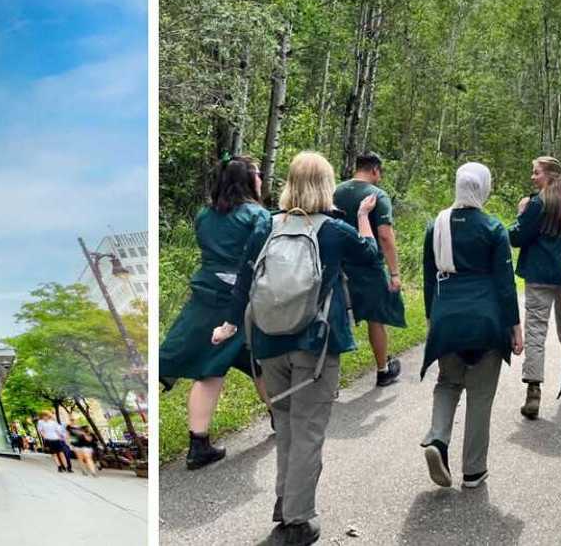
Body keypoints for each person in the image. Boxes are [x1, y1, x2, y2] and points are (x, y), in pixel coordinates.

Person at [213, 150, 382, 546]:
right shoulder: (334, 231)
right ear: (326, 186)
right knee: (308, 432)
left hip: (269, 342)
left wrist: (230, 324)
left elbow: (244, 279)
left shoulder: (266, 226)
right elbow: (370, 257)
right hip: (315, 345)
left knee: (287, 427)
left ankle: (285, 503)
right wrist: (362, 217)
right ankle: (297, 521)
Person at [159, 156, 273, 470]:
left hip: (205, 295)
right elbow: (261, 260)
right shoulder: (258, 216)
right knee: (243, 365)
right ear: (247, 180)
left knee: (234, 365)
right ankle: (278, 418)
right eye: (257, 174)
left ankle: (201, 443)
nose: (261, 179)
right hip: (239, 303)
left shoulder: (204, 215)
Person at [419, 163, 523, 489]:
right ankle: (474, 470)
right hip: (486, 321)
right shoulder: (493, 228)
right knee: (480, 394)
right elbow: (505, 284)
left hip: (446, 318)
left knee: (447, 383)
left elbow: (428, 279)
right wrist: (515, 327)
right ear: (484, 187)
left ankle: (438, 439)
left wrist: (432, 319)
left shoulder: (436, 225)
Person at [508, 155, 561, 417]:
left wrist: (520, 214)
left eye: (536, 172)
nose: (533, 177)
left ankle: (533, 391)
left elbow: (516, 237)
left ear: (550, 175)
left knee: (535, 332)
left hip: (539, 274)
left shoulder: (536, 204)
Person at [333, 151, 406, 386]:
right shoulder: (377, 195)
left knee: (335, 316)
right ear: (375, 169)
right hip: (368, 266)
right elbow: (385, 236)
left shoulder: (335, 191)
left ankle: (330, 376)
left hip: (338, 264)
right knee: (376, 319)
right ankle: (383, 370)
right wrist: (394, 273)